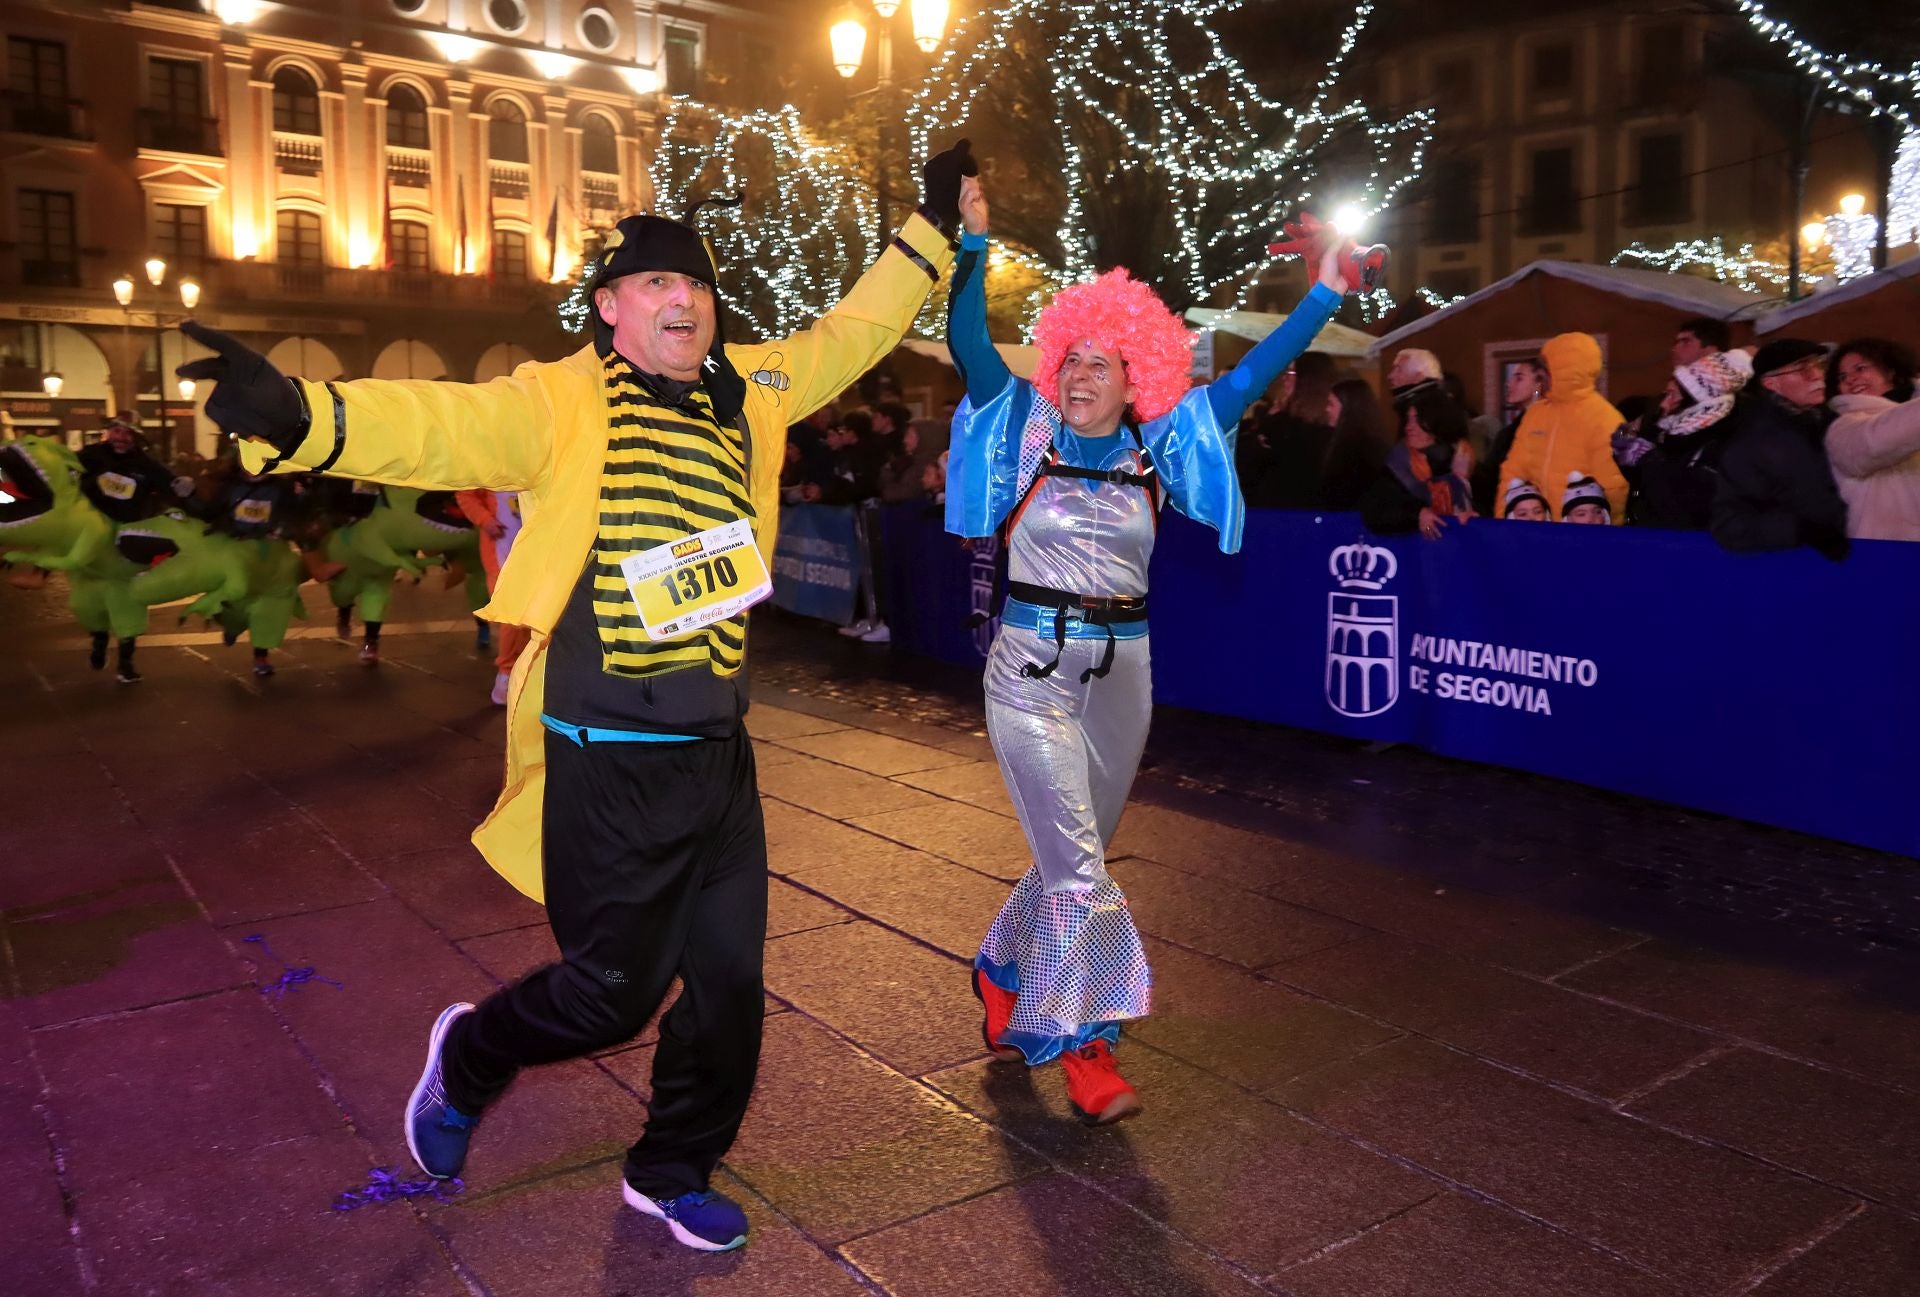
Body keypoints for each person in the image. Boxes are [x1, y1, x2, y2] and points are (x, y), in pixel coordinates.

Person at [178, 140, 977, 1252]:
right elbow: (443, 423)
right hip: (605, 754)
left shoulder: (754, 388)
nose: (682, 299)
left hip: (716, 751)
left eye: (695, 282)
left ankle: (669, 1166)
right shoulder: (560, 402)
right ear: (611, 308)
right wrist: (304, 414)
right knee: (610, 995)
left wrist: (931, 228)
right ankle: (471, 1057)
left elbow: (857, 327)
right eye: (656, 282)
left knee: (731, 990)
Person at [943, 177, 1359, 1123]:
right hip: (1028, 670)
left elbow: (1251, 382)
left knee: (1071, 851)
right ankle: (1089, 1045)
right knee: (1085, 870)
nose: (1081, 377)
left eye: (1103, 363)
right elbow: (971, 344)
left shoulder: (1161, 447)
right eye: (1071, 360)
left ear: (1142, 377)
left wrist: (1324, 295)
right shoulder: (1023, 426)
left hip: (1125, 673)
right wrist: (973, 244)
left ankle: (1003, 967)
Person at [1710, 338, 1848, 558]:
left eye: (1818, 365)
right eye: (1802, 369)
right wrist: (1802, 530)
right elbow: (1730, 524)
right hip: (1795, 566)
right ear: (1770, 383)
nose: (1817, 375)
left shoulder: (1836, 423)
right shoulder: (1751, 442)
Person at [76, 415, 182, 682]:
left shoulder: (145, 465)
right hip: (91, 533)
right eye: (116, 431)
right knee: (90, 597)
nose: (121, 438)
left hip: (128, 536)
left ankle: (126, 662)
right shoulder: (89, 457)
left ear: (135, 438)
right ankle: (99, 640)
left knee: (127, 599)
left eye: (127, 434)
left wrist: (187, 498)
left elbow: (172, 486)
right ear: (107, 433)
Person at [1493, 333, 1627, 520]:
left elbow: (1614, 490)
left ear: (1564, 372)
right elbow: (1512, 473)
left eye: (1545, 370)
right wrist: (1505, 520)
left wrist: (1605, 537)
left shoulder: (1604, 419)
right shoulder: (1536, 413)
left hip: (1580, 536)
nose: (1541, 377)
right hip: (1535, 531)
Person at [1611, 351, 1750, 530]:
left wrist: (1648, 460)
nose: (1663, 404)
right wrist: (1625, 452)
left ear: (1696, 402)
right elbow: (1646, 485)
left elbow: (1688, 504)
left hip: (1688, 545)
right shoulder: (1671, 430)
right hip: (1651, 534)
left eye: (1672, 395)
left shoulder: (1720, 442)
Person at [1823, 337, 1920, 541]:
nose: (1850, 379)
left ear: (1890, 370)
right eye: (1842, 376)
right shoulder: (1844, 426)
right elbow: (1878, 440)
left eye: (1860, 368)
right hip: (1884, 552)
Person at [1359, 387, 1475, 540]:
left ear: (1437, 422)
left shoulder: (1466, 462)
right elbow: (1375, 509)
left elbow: (1488, 511)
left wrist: (1472, 514)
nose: (1409, 427)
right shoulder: (1397, 464)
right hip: (1410, 557)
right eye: (1409, 419)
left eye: (1418, 419)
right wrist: (1417, 514)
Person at [455, 488, 530, 704]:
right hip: (500, 551)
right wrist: (485, 520)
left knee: (532, 614)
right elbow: (465, 494)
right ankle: (506, 674)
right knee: (512, 614)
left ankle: (525, 671)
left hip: (534, 549)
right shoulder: (492, 462)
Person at [1247, 351, 1337, 509]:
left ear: (1308, 380)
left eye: (1291, 372)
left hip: (1288, 513)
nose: (1285, 378)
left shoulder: (1286, 426)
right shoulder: (1284, 421)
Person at [1471, 357, 1546, 515]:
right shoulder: (1508, 433)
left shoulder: (1548, 426)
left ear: (1538, 383)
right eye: (1511, 377)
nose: (1508, 383)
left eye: (1519, 378)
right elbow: (1491, 479)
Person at [1318, 377, 1392, 509]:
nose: (1326, 409)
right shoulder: (1340, 443)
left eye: (1331, 404)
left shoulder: (1364, 450)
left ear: (1348, 407)